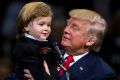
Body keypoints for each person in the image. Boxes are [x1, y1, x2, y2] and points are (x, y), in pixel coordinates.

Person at [24, 9, 117, 80]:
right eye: (67, 24)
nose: (66, 30)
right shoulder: (46, 54)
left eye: (75, 28)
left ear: (90, 40)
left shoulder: (103, 74)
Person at [5, 2, 60, 80]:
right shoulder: (27, 48)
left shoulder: (46, 43)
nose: (46, 28)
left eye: (48, 25)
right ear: (26, 26)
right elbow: (37, 73)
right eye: (41, 24)